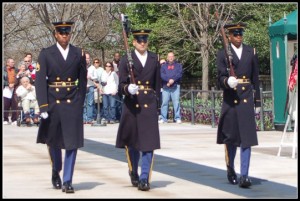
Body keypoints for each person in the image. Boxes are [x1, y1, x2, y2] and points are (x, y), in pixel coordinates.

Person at [35, 21, 87, 193]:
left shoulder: (78, 52)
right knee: (54, 141)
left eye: (67, 33)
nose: (65, 35)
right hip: (53, 101)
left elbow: (83, 79)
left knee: (72, 143)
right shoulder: (46, 53)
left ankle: (67, 180)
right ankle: (56, 168)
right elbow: (40, 82)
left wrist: (80, 101)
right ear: (55, 34)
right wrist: (43, 107)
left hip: (72, 101)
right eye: (61, 33)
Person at [216, 22, 261, 188]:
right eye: (235, 34)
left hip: (246, 96)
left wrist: (257, 101)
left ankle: (245, 175)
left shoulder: (250, 51)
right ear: (229, 36)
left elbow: (255, 77)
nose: (239, 37)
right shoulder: (223, 54)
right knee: (231, 137)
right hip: (231, 98)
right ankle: (231, 168)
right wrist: (227, 81)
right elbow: (219, 78)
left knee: (247, 138)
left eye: (240, 33)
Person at [116, 29, 161, 191]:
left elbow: (157, 85)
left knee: (148, 144)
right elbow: (120, 85)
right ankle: (134, 170)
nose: (143, 43)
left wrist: (158, 105)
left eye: (145, 40)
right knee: (132, 142)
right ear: (134, 42)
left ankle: (144, 178)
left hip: (148, 104)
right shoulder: (126, 60)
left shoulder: (155, 59)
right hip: (132, 104)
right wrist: (128, 88)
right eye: (139, 40)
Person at [159, 52, 183, 124]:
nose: (171, 58)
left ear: (174, 57)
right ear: (167, 57)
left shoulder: (178, 65)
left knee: (176, 103)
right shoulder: (163, 66)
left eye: (172, 56)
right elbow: (162, 75)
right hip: (166, 86)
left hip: (175, 86)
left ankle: (177, 118)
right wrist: (168, 81)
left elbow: (179, 74)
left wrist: (173, 80)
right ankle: (163, 118)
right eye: (169, 56)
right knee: (164, 103)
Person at [3, 58, 18, 125]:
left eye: (13, 62)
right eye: (11, 62)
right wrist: (7, 84)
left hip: (14, 88)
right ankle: (5, 119)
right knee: (6, 104)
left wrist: (14, 84)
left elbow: (18, 77)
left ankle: (14, 119)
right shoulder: (3, 70)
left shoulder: (16, 70)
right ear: (7, 63)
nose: (13, 63)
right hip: (6, 88)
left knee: (14, 104)